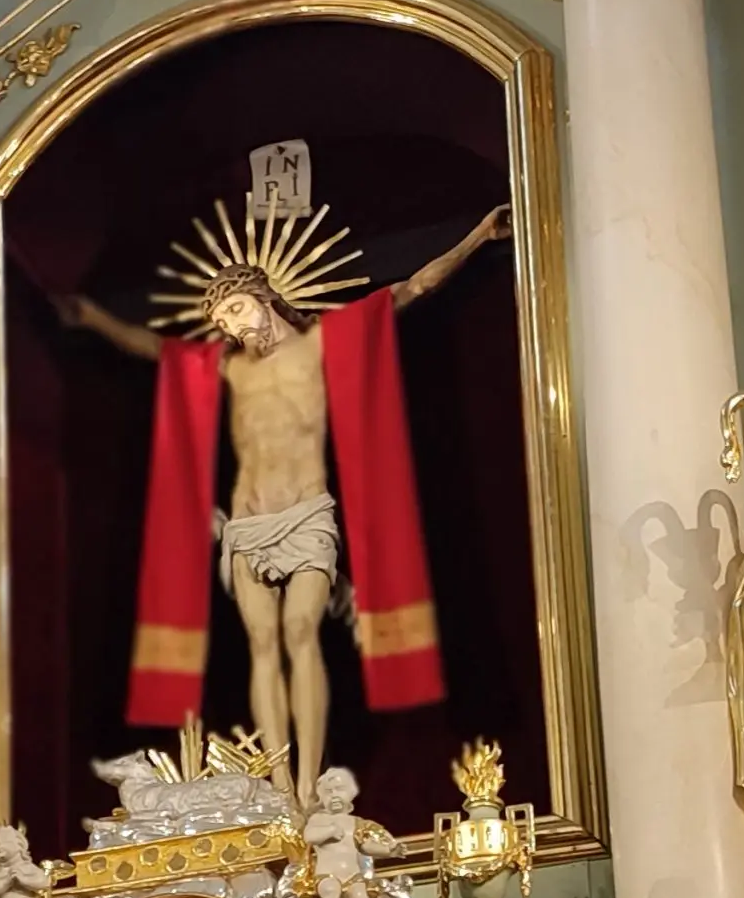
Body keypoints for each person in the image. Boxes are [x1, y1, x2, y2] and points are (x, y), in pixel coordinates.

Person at [62, 205, 507, 800]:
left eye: (236, 309)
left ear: (263, 294)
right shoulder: (230, 368)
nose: (231, 327)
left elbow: (414, 287)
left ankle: (307, 782)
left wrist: (477, 236)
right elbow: (154, 349)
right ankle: (281, 791)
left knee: (301, 631)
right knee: (263, 650)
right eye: (221, 320)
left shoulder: (325, 343)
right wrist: (94, 317)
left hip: (305, 516)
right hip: (247, 525)